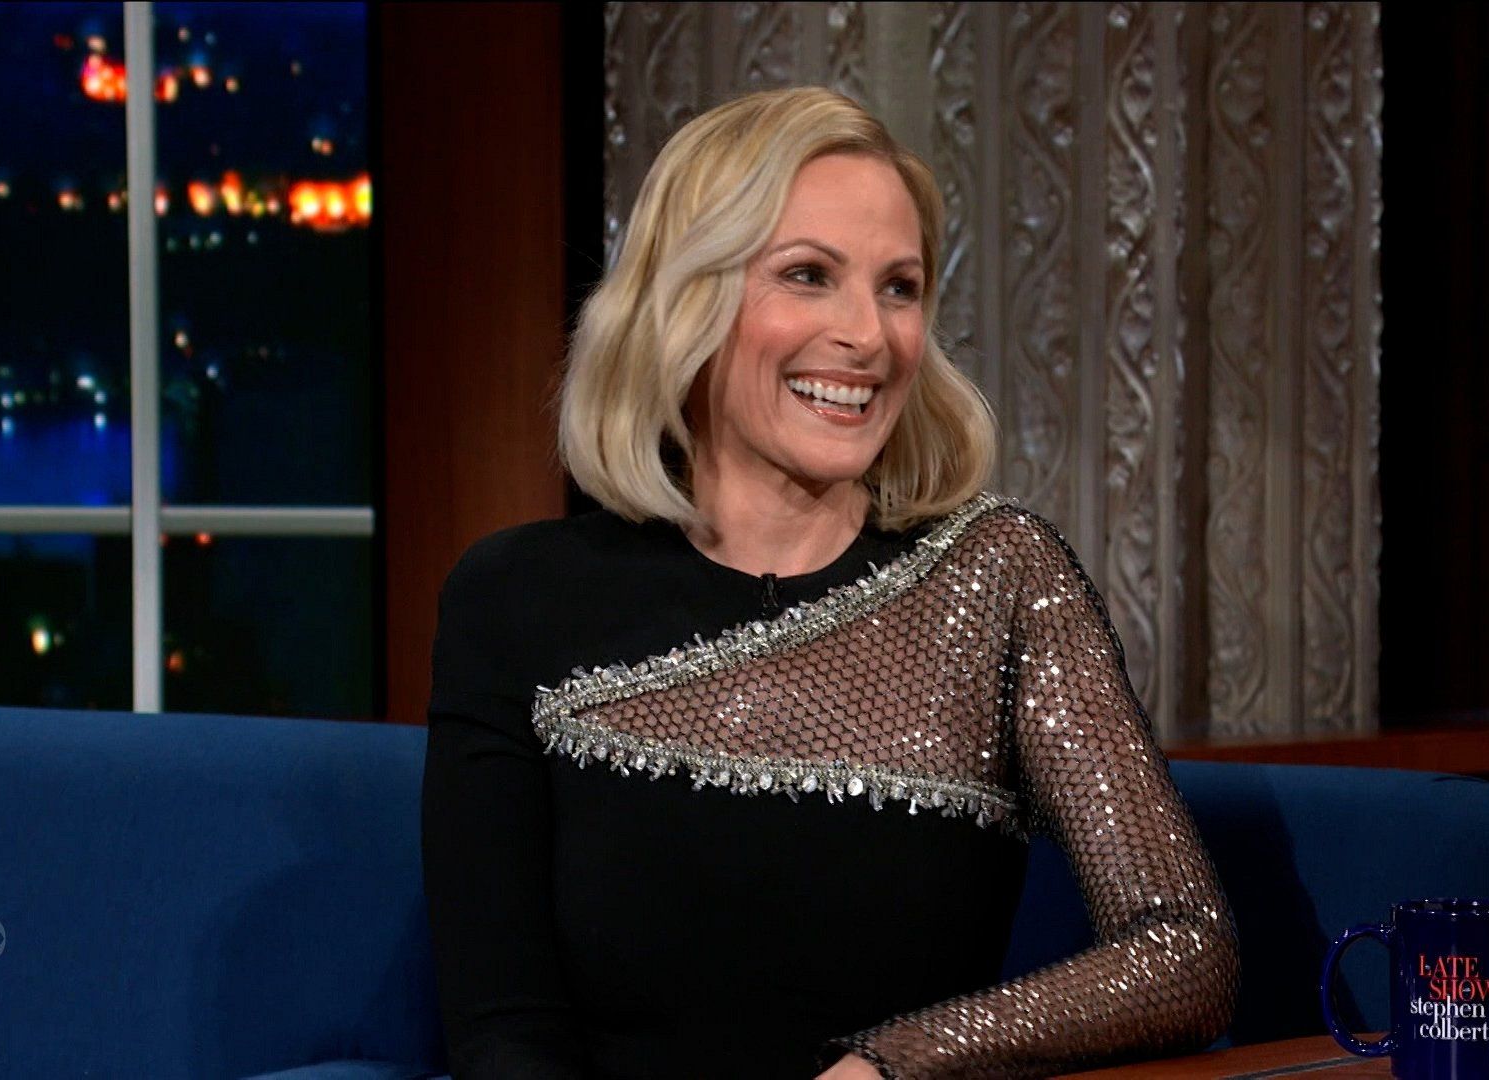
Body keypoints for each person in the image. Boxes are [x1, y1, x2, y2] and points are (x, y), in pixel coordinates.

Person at [421, 86, 1240, 1080]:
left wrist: (897, 1065)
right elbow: (503, 1030)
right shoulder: (516, 595)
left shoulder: (998, 576)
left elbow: (1184, 951)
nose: (869, 335)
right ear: (685, 301)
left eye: (900, 288)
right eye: (808, 275)